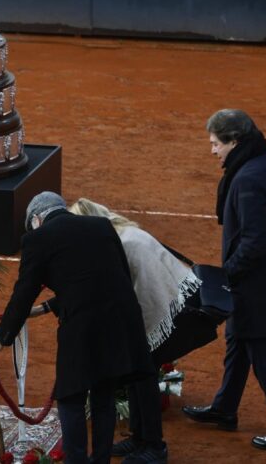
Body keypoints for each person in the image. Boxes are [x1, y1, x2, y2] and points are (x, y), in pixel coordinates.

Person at [0, 192, 154, 464]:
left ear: (37, 220)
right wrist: (46, 308)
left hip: (83, 327)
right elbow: (103, 278)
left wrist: (2, 338)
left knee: (71, 396)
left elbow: (24, 293)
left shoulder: (38, 239)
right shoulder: (100, 225)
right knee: (104, 395)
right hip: (120, 320)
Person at [182, 109, 266, 454]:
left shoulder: (247, 179)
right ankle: (225, 409)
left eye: (216, 144)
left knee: (265, 357)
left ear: (235, 141)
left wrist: (227, 275)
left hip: (256, 287)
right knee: (237, 341)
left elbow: (254, 243)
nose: (212, 151)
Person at [51, 198, 207, 463]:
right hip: (170, 298)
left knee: (143, 373)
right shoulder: (119, 234)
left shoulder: (117, 243)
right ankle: (139, 438)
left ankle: (154, 446)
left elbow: (99, 287)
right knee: (136, 372)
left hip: (162, 304)